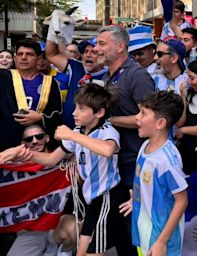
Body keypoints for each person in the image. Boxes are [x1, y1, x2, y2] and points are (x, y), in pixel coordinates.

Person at [17, 84, 120, 256]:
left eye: (81, 109)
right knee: (81, 253)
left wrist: (72, 136)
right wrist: (22, 154)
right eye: (75, 107)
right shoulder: (79, 130)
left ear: (99, 113)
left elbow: (107, 150)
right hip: (91, 201)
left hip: (106, 198)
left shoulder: (106, 130)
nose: (74, 113)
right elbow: (51, 159)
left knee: (94, 252)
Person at [94, 25, 155, 256]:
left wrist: (110, 120)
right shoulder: (110, 74)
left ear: (121, 47)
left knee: (133, 230)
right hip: (116, 163)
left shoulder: (136, 75)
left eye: (102, 44)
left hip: (134, 163)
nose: (96, 48)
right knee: (120, 229)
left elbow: (148, 119)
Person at [119, 91, 188, 256]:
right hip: (144, 230)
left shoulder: (166, 161)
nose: (136, 117)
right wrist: (136, 198)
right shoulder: (145, 146)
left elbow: (182, 201)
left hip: (160, 242)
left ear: (160, 123)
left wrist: (162, 242)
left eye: (143, 113)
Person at [5, 125, 76, 256]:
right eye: (29, 139)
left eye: (39, 136)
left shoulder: (62, 158)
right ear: (22, 144)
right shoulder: (13, 167)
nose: (35, 141)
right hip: (29, 231)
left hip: (57, 225)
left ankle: (60, 251)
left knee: (74, 228)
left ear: (47, 138)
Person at [0, 40, 62, 151]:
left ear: (38, 59)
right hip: (7, 143)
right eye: (20, 54)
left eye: (29, 54)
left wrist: (40, 117)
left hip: (38, 143)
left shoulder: (49, 83)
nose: (23, 58)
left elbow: (58, 113)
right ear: (14, 58)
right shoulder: (3, 78)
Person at [45, 37, 107, 128]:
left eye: (94, 52)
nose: (88, 55)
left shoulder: (109, 75)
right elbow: (51, 54)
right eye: (85, 52)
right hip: (67, 131)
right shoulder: (75, 67)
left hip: (93, 135)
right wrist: (54, 28)